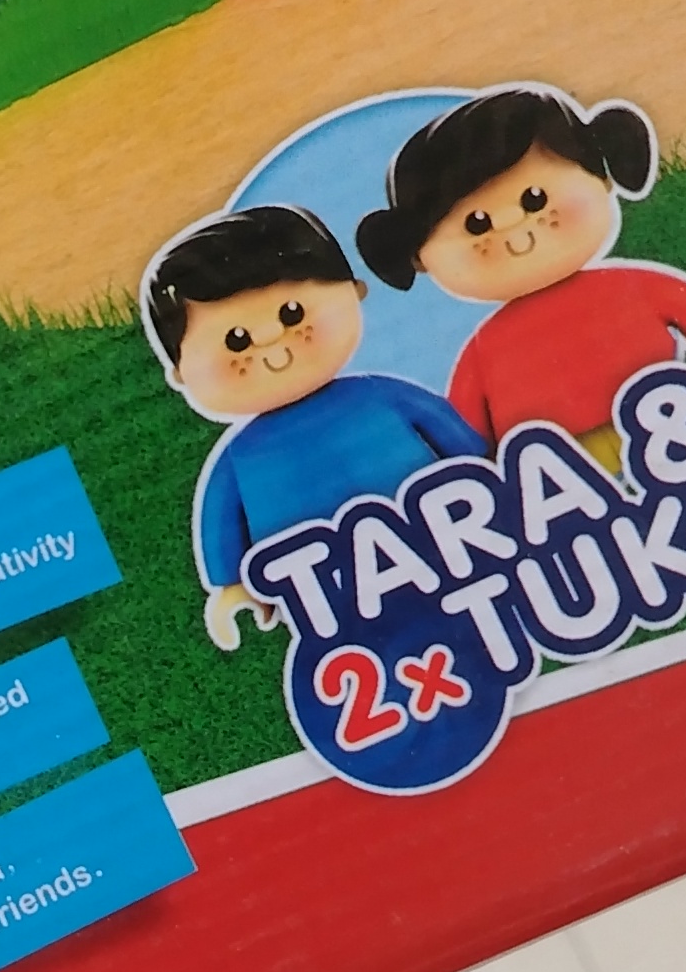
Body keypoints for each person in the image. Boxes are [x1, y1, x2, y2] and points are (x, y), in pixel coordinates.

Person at [355, 82, 686, 467]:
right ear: (418, 257)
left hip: (674, 426)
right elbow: (468, 432)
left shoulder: (634, 287)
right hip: (556, 474)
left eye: (534, 199)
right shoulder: (483, 352)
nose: (513, 230)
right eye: (476, 223)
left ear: (602, 174)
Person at [142, 200, 472, 646]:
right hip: (323, 592)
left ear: (355, 291)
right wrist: (232, 586)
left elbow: (458, 441)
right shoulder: (238, 460)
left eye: (292, 314)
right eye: (236, 340)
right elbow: (221, 518)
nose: (271, 342)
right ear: (180, 373)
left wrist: (493, 477)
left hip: (440, 547)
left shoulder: (383, 395)